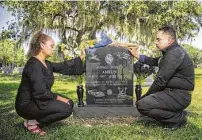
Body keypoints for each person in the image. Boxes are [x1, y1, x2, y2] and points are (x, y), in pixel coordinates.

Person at [15, 31, 85, 136]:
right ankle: (32, 123)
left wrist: (80, 58)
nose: (53, 49)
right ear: (42, 45)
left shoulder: (46, 63)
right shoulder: (33, 65)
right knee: (66, 109)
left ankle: (34, 120)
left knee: (69, 103)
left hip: (38, 99)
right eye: (51, 46)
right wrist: (60, 98)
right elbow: (40, 93)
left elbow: (63, 66)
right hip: (27, 104)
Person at [128, 26, 194, 130]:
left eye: (158, 39)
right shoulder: (170, 53)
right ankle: (175, 113)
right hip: (173, 93)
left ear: (168, 40)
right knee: (143, 104)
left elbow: (160, 80)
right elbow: (154, 61)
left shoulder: (174, 54)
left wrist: (146, 95)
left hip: (179, 95)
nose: (156, 42)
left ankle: (177, 118)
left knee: (142, 105)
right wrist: (137, 55)